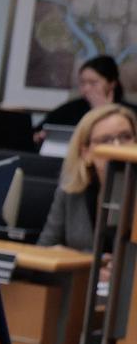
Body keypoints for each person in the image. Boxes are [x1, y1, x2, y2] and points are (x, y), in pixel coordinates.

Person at [39, 102, 135, 252]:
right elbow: (44, 250)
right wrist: (87, 265)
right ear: (86, 153)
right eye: (106, 140)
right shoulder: (71, 190)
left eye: (126, 137)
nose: (118, 147)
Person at [42, 55, 131, 131]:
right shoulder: (69, 109)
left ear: (112, 84)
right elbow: (41, 129)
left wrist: (104, 111)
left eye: (93, 83)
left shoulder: (129, 112)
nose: (86, 88)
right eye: (82, 83)